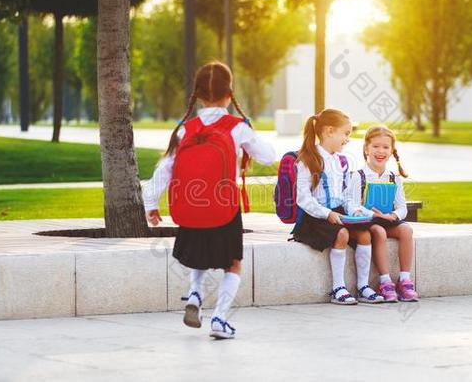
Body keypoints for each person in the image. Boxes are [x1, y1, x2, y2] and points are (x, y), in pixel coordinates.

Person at [143, 61, 275, 339]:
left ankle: (194, 294)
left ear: (199, 95)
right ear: (230, 93)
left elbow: (164, 168)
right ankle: (220, 318)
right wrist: (249, 130)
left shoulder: (184, 129)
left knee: (198, 257)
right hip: (224, 207)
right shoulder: (236, 127)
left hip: (191, 209)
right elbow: (267, 156)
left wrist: (151, 204)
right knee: (232, 263)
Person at [291, 109, 384, 305]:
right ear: (329, 131)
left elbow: (345, 196)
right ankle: (338, 288)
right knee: (342, 234)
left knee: (365, 234)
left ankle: (362, 286)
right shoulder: (308, 159)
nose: (348, 139)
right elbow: (303, 198)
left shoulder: (340, 161)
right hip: (314, 217)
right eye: (346, 133)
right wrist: (326, 213)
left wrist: (356, 211)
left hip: (337, 212)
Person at [346, 125, 418, 302]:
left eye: (386, 147)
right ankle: (385, 281)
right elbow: (350, 203)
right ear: (366, 149)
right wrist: (368, 212)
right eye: (375, 146)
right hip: (368, 221)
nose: (380, 151)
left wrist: (393, 216)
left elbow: (402, 206)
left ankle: (404, 280)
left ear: (392, 150)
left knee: (406, 230)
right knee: (379, 231)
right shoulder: (359, 176)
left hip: (387, 218)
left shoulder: (394, 177)